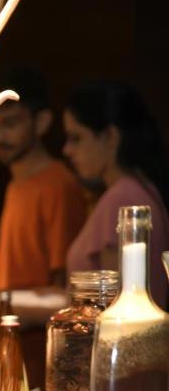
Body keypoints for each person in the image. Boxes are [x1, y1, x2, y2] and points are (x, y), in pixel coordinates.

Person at [0, 68, 87, 299]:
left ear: (41, 122)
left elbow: (61, 292)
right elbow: (12, 283)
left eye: (10, 124)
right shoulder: (16, 185)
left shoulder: (57, 185)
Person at [63, 81, 169, 306]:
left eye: (77, 138)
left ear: (110, 136)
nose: (67, 150)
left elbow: (115, 302)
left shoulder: (123, 199)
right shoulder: (141, 189)